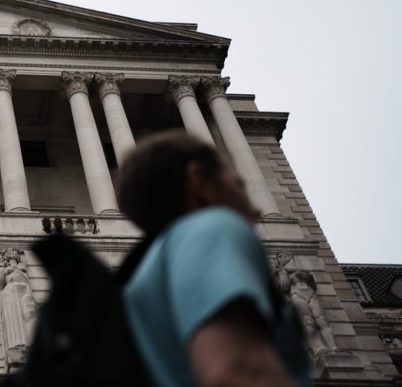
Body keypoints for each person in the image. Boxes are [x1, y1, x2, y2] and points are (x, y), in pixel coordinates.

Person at [117, 131, 309, 387]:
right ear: (199, 181)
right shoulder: (213, 227)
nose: (257, 210)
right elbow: (240, 372)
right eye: (240, 186)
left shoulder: (142, 275)